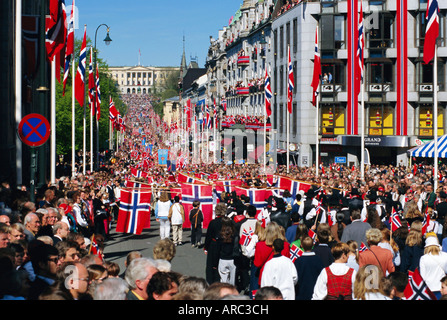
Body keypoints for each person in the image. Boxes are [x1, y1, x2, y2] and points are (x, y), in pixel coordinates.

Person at [253, 221, 290, 288]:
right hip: (281, 276)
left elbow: (257, 263)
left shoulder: (260, 245)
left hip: (265, 277)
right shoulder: (286, 245)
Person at [294, 235, 325, 300]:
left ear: (301, 245)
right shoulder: (318, 260)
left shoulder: (298, 261)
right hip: (315, 293)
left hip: (301, 293)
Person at [419, 233, 447, 299]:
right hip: (442, 287)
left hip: (429, 288)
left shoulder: (424, 258)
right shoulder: (445, 256)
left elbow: (422, 276)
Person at [204, 202, 226, 285]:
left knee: (211, 264)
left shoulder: (213, 222)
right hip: (224, 244)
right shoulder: (227, 221)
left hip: (214, 245)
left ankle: (211, 280)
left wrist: (206, 247)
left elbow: (208, 236)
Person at [218, 216, 237, 285]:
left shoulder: (220, 234)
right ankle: (231, 292)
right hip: (232, 259)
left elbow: (218, 247)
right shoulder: (234, 234)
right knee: (232, 279)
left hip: (223, 258)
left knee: (223, 278)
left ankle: (224, 292)